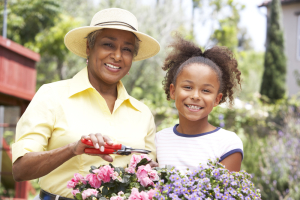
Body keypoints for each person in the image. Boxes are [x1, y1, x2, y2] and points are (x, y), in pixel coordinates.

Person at [12, 8, 160, 199]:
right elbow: (20, 169)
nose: (117, 56)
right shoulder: (52, 96)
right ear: (89, 48)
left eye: (127, 49)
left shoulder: (142, 113)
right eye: (108, 44)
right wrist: (72, 149)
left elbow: (147, 171)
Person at [155, 35, 243, 172]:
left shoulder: (227, 143)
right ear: (172, 91)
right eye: (188, 87)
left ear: (217, 99)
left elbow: (226, 192)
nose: (195, 96)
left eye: (206, 90)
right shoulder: (159, 140)